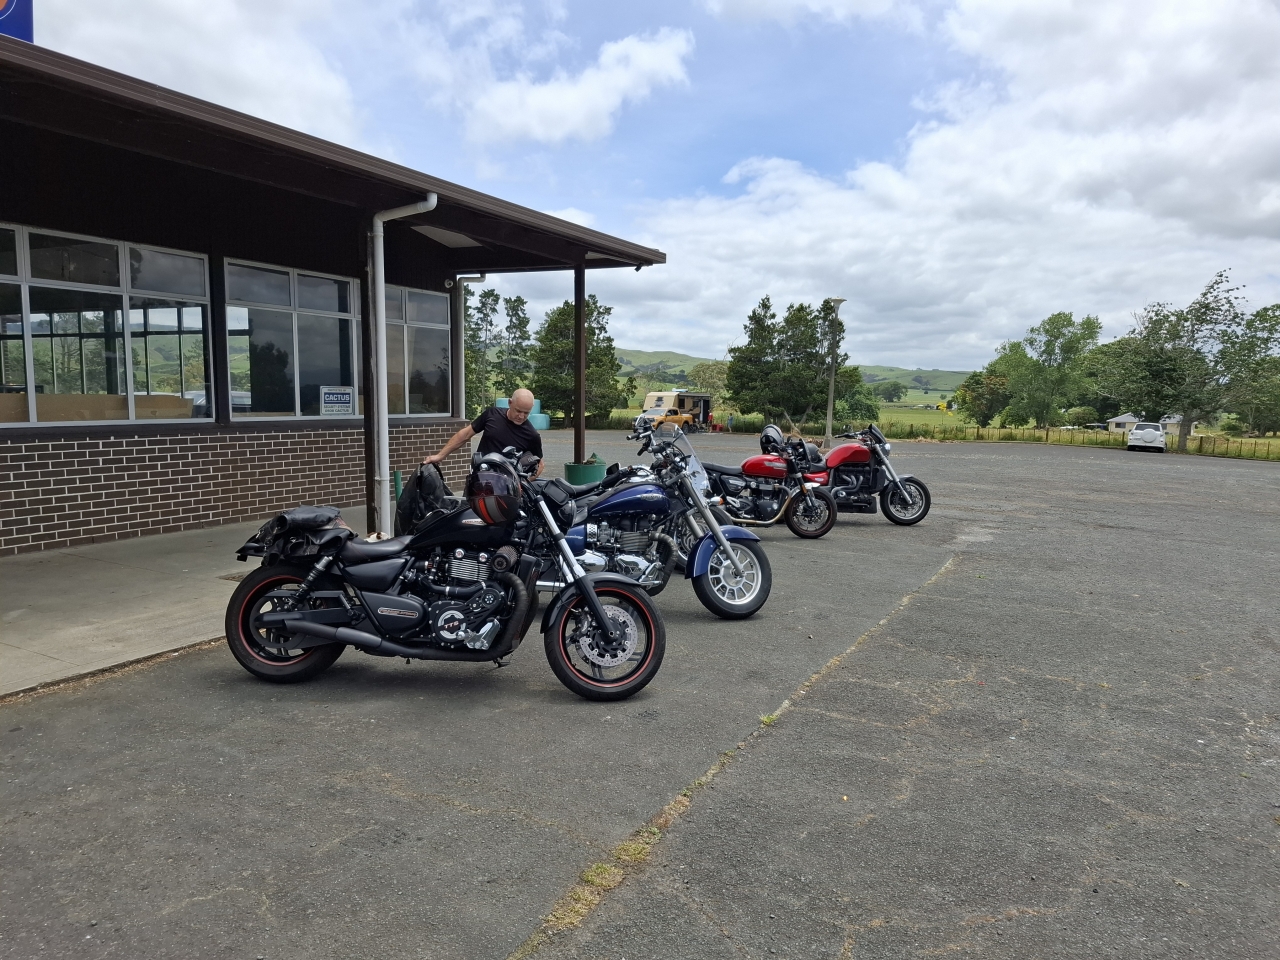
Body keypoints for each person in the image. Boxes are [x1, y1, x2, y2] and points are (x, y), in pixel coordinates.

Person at [422, 388, 545, 475]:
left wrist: (524, 484)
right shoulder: (492, 414)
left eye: (526, 413)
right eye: (518, 411)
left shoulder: (532, 435)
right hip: (479, 477)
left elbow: (539, 465)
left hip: (506, 488)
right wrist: (440, 455)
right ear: (510, 403)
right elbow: (465, 435)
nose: (521, 416)